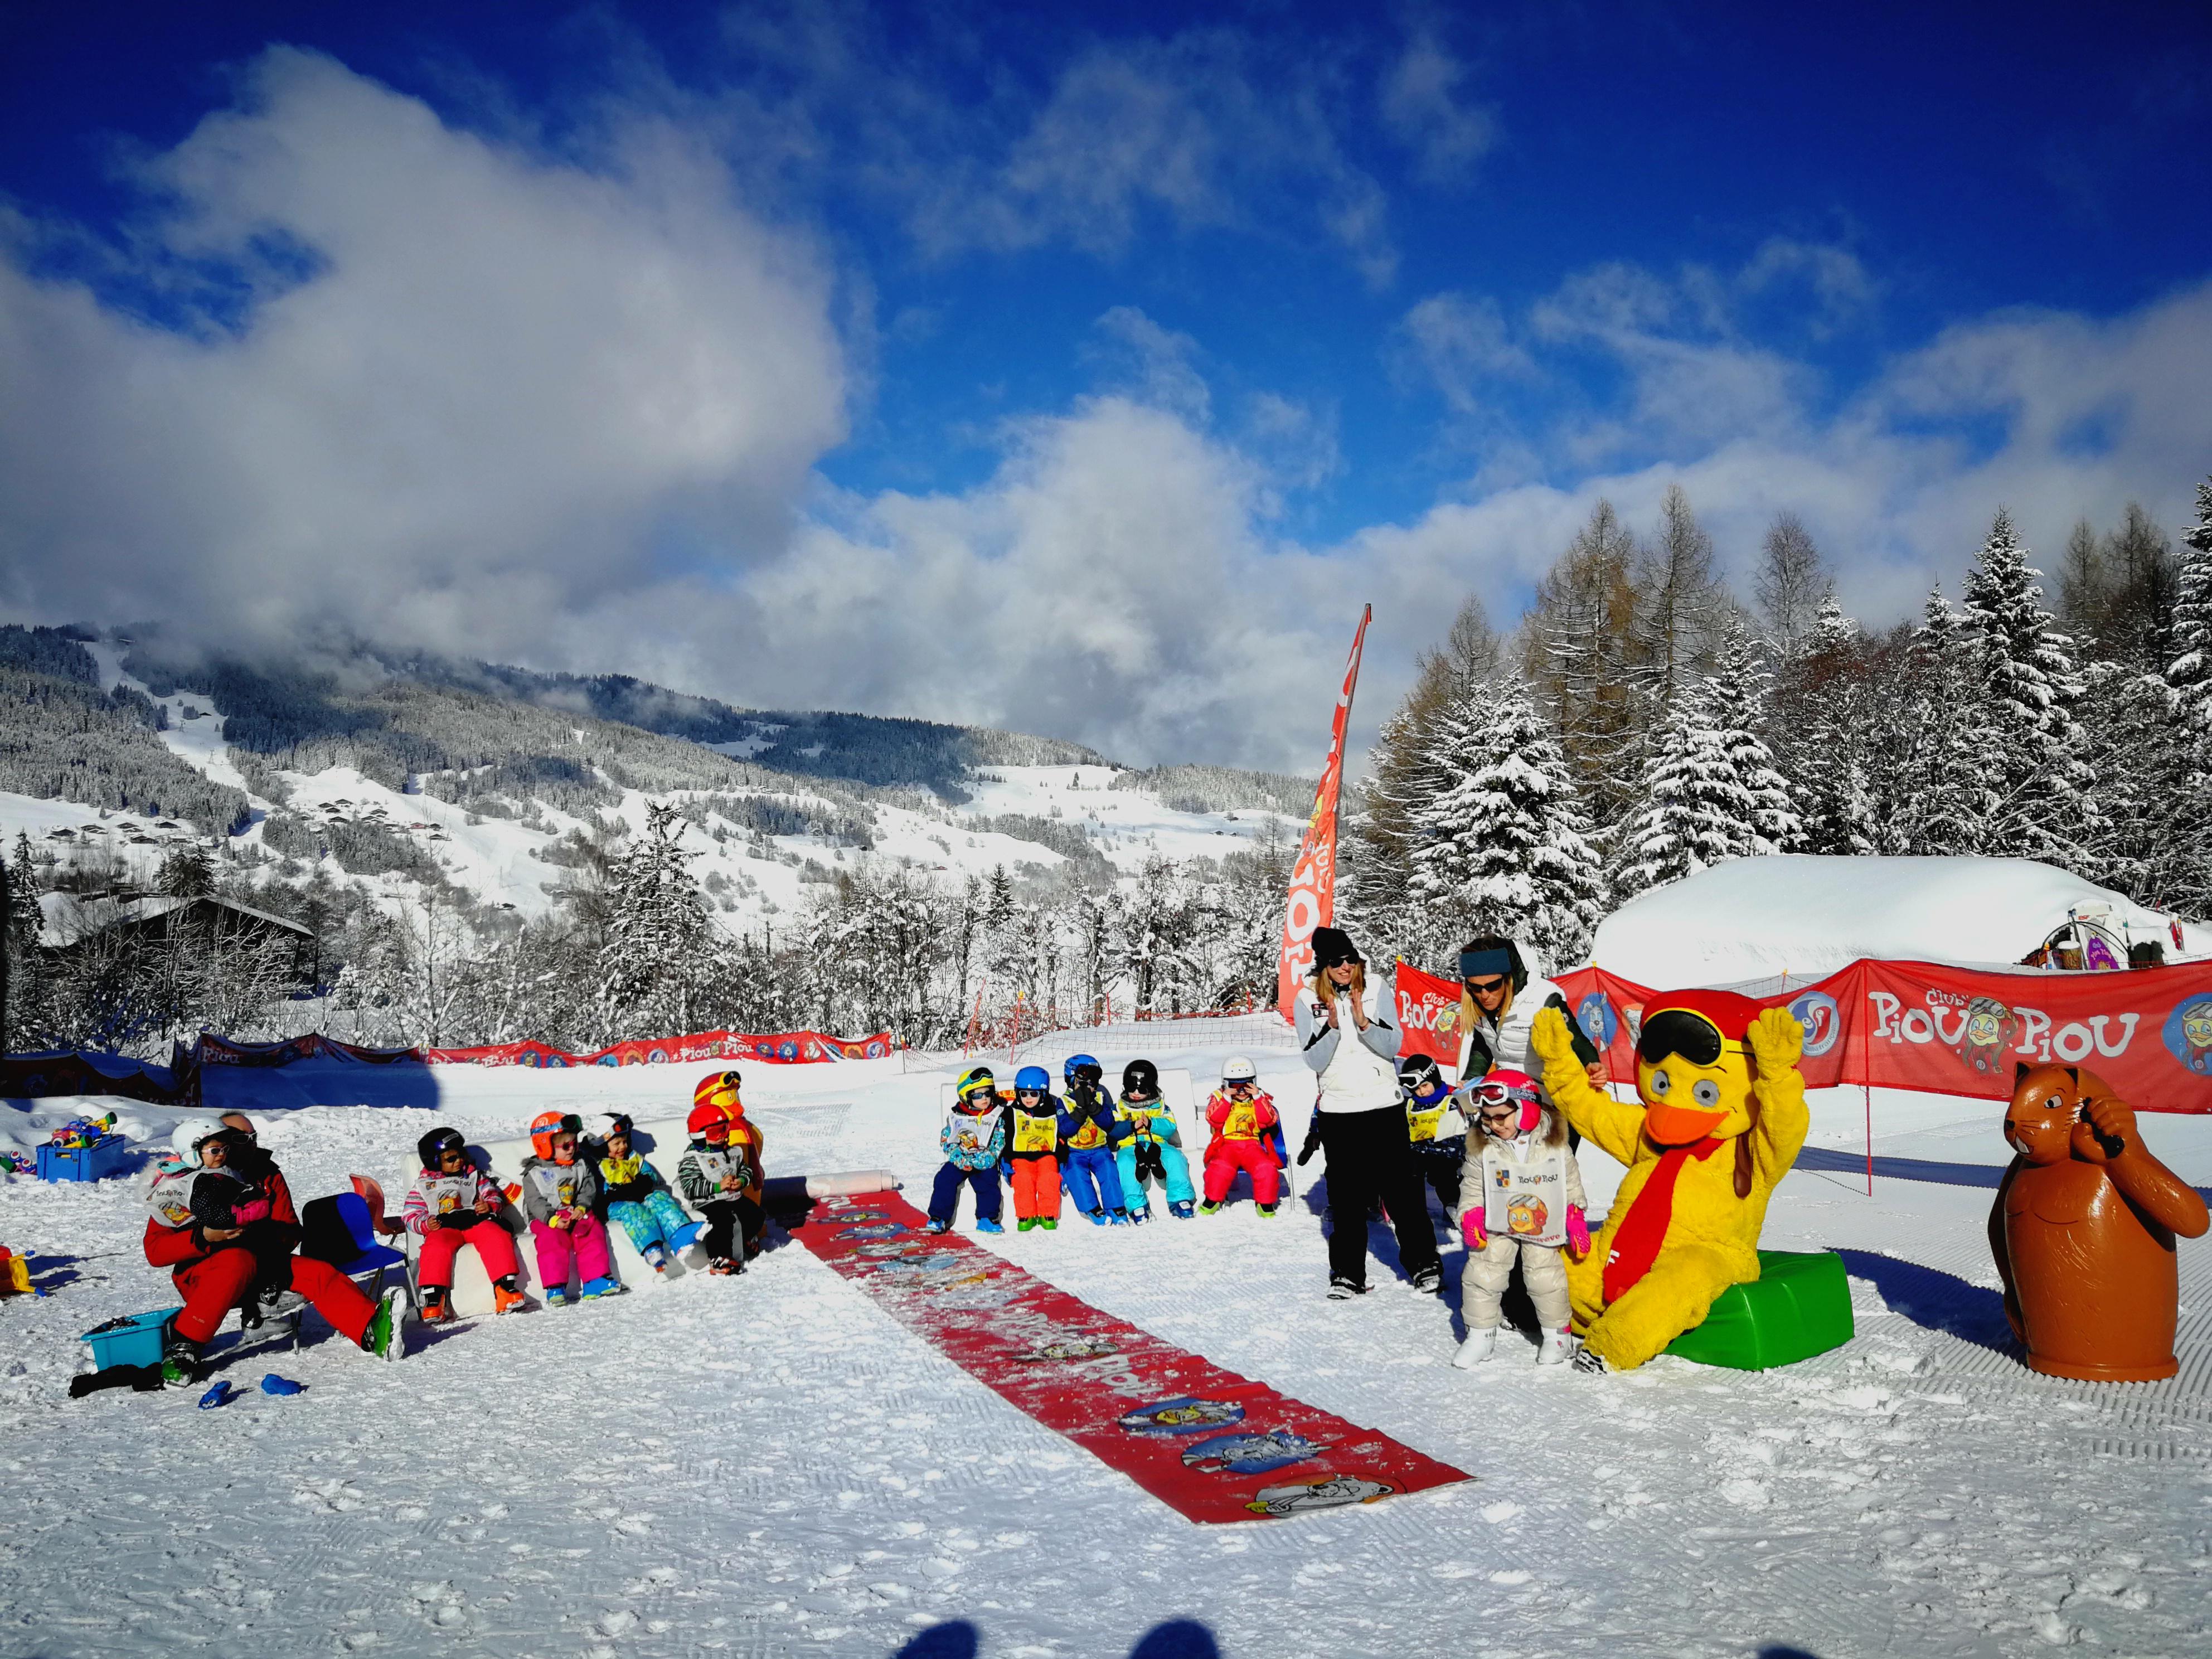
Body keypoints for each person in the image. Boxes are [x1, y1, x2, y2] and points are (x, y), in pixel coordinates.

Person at [145, 1118, 400, 1382]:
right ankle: (184, 1346)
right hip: (205, 1276)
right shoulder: (179, 1186)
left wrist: (261, 1236)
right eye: (240, 1138)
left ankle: (370, 1328)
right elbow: (155, 1251)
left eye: (253, 1136)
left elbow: (290, 1228)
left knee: (318, 1272)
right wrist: (205, 1237)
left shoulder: (265, 1175)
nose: (250, 1144)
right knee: (237, 1259)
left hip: (263, 1264)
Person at [1294, 925, 1442, 1299]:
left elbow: (1393, 1043)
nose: (1345, 967)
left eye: (1350, 959)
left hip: (1383, 1104)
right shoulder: (1305, 997)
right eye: (1335, 962)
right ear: (1323, 966)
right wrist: (1330, 1027)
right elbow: (1313, 1059)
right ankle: (1347, 1273)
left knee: (1402, 1192)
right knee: (1345, 1198)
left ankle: (1424, 1263)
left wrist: (1362, 1022)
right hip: (1339, 1110)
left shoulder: (1376, 987)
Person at [1452, 1069, 1589, 1367]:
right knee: (1482, 1272)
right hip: (1499, 1220)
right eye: (1487, 1118)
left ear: (1526, 1109)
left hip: (1543, 1223)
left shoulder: (1554, 1145)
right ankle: (1480, 1336)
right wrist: (1471, 1214)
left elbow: (1570, 1182)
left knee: (1544, 1277)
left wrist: (1574, 1214)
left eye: (1501, 1117)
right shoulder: (1484, 1146)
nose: (1492, 1124)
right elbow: (1473, 1185)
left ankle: (1557, 1337)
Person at [1453, 936, 1604, 1098]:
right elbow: (1484, 1042)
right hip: (1511, 1089)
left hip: (1552, 1092)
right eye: (1476, 987)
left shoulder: (1542, 1000)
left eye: (1493, 986)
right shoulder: (1474, 1001)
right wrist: (1472, 1078)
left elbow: (1574, 1038)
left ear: (1507, 978)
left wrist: (1592, 1063)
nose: (1484, 995)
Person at [404, 1127, 528, 1321]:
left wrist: (488, 1206)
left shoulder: (473, 1175)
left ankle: (505, 1288)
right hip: (444, 1226)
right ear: (435, 1162)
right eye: (451, 1159)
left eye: (460, 1155)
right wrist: (426, 1223)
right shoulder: (424, 1184)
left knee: (495, 1235)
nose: (459, 1161)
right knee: (435, 1246)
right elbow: (410, 1214)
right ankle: (434, 1298)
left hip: (474, 1221)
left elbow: (492, 1193)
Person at [519, 1112, 622, 1306]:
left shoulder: (580, 1164)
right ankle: (555, 1287)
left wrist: (582, 1207)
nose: (572, 1149)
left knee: (591, 1228)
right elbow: (535, 1202)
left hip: (575, 1212)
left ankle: (595, 1280)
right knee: (551, 1239)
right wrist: (552, 1219)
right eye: (565, 1146)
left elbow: (587, 1188)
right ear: (545, 1145)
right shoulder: (534, 1173)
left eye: (574, 1143)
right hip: (545, 1218)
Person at [596, 1122, 701, 1273]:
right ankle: (652, 1249)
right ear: (602, 1145)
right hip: (616, 1205)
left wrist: (642, 1182)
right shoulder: (600, 1167)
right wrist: (620, 1191)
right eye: (616, 1144)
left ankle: (680, 1236)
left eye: (625, 1142)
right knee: (634, 1210)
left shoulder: (633, 1158)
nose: (622, 1147)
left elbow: (649, 1175)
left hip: (639, 1195)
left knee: (659, 1197)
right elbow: (601, 1192)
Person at [677, 1104, 762, 1273]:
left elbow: (745, 1168)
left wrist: (742, 1180)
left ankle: (744, 1239)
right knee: (723, 1221)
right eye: (716, 1133)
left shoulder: (730, 1152)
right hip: (708, 1201)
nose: (723, 1136)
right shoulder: (695, 1159)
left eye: (725, 1129)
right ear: (700, 1136)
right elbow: (689, 1186)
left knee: (756, 1215)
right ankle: (718, 1257)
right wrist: (717, 1186)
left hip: (731, 1197)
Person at [929, 1067, 1008, 1235]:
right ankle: (938, 1217)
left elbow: (999, 1140)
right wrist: (958, 1157)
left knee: (988, 1180)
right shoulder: (957, 1117)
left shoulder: (996, 1115)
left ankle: (987, 1218)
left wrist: (989, 1157)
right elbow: (947, 1140)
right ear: (966, 1097)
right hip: (962, 1159)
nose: (984, 1099)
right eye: (978, 1095)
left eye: (988, 1093)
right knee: (945, 1178)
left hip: (983, 1158)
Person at [1115, 1059, 1196, 1220]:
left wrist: (1152, 1124)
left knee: (1175, 1158)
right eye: (1132, 1088)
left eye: (1142, 1089)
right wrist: (1130, 1126)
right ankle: (1136, 1204)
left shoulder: (1159, 1106)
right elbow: (1113, 1129)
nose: (1136, 1093)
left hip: (1157, 1145)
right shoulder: (1119, 1107)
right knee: (1125, 1164)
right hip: (1130, 1146)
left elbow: (1170, 1126)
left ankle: (1179, 1198)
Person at [1200, 1058, 1282, 1215]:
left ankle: (1265, 1203)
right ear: (1226, 1084)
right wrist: (1226, 1099)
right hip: (1228, 1145)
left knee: (1266, 1168)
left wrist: (1258, 1098)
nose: (1242, 1091)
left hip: (1252, 1145)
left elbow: (1268, 1121)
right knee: (1220, 1167)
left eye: (1246, 1085)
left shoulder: (1259, 1098)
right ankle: (1213, 1199)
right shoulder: (1219, 1098)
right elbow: (1215, 1120)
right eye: (1236, 1086)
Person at [1059, 1054, 1131, 1225]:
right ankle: (1091, 1208)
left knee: (1108, 1169)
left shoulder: (1100, 1097)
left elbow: (1108, 1122)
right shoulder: (1064, 1101)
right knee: (1076, 1173)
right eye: (1084, 1083)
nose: (1088, 1087)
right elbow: (1065, 1129)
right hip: (1075, 1152)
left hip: (1099, 1149)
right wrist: (1080, 1111)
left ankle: (1116, 1207)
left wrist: (1093, 1106)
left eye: (1092, 1083)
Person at [1398, 1054, 1467, 1220]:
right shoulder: (1409, 1105)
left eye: (1425, 1086)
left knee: (1443, 1174)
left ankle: (1453, 1204)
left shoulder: (1452, 1101)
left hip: (1447, 1152)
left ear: (1434, 1079)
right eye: (1416, 1089)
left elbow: (1465, 1130)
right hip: (1418, 1151)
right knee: (1409, 1170)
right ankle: (1415, 1209)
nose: (1421, 1092)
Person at [1006, 1065, 1065, 1232]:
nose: (1028, 1098)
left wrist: (1063, 1156)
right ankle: (1026, 1215)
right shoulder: (1012, 1113)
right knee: (1023, 1178)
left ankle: (1048, 1213)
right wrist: (1005, 1161)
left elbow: (1060, 1135)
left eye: (1034, 1094)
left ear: (1044, 1093)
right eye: (1024, 1094)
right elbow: (1006, 1137)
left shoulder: (1052, 1111)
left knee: (1049, 1177)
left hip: (1046, 1155)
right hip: (1020, 1156)